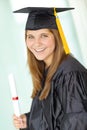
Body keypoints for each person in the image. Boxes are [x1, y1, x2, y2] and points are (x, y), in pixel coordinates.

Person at [13, 7, 87, 130]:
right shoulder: (47, 70)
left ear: (56, 37)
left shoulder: (70, 74)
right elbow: (51, 118)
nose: (36, 43)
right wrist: (28, 120)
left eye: (44, 36)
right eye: (30, 36)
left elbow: (77, 123)